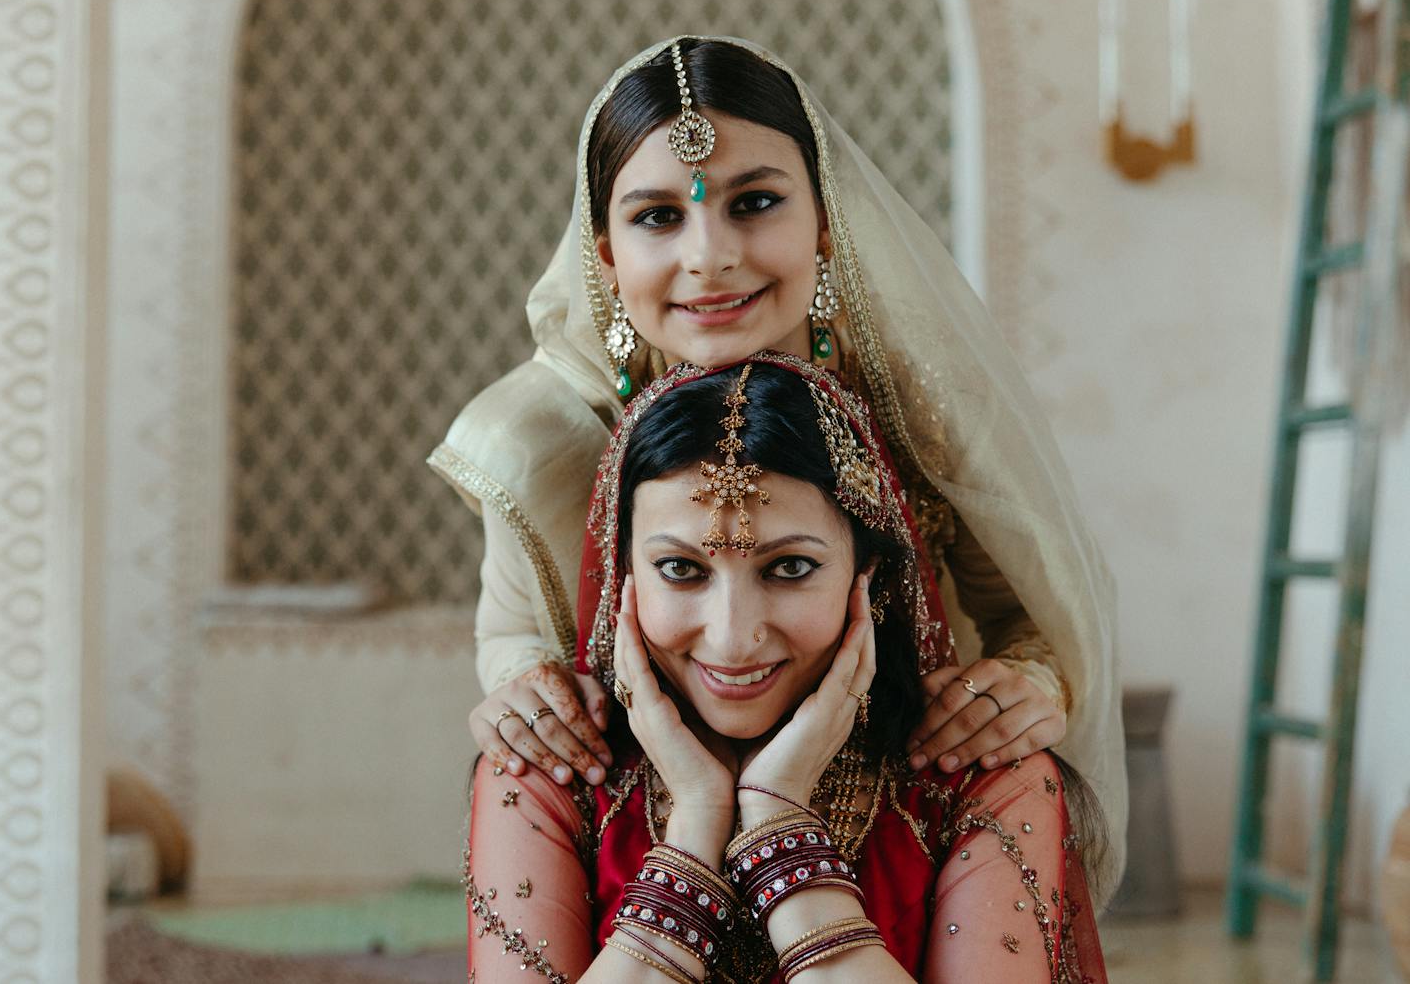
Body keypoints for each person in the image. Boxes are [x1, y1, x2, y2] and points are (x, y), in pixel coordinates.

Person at [429, 37, 1124, 899]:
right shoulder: (536, 441)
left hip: (899, 826)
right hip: (641, 844)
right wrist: (527, 694)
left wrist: (1026, 684)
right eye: (657, 216)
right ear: (604, 252)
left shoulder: (925, 412)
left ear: (825, 222)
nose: (710, 255)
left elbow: (1035, 616)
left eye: (754, 202)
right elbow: (515, 640)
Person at [462, 355, 1108, 983]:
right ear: (621, 576)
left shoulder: (978, 781)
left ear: (868, 577)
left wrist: (780, 833)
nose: (734, 636)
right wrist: (693, 829)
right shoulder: (549, 777)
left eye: (790, 567)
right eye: (681, 569)